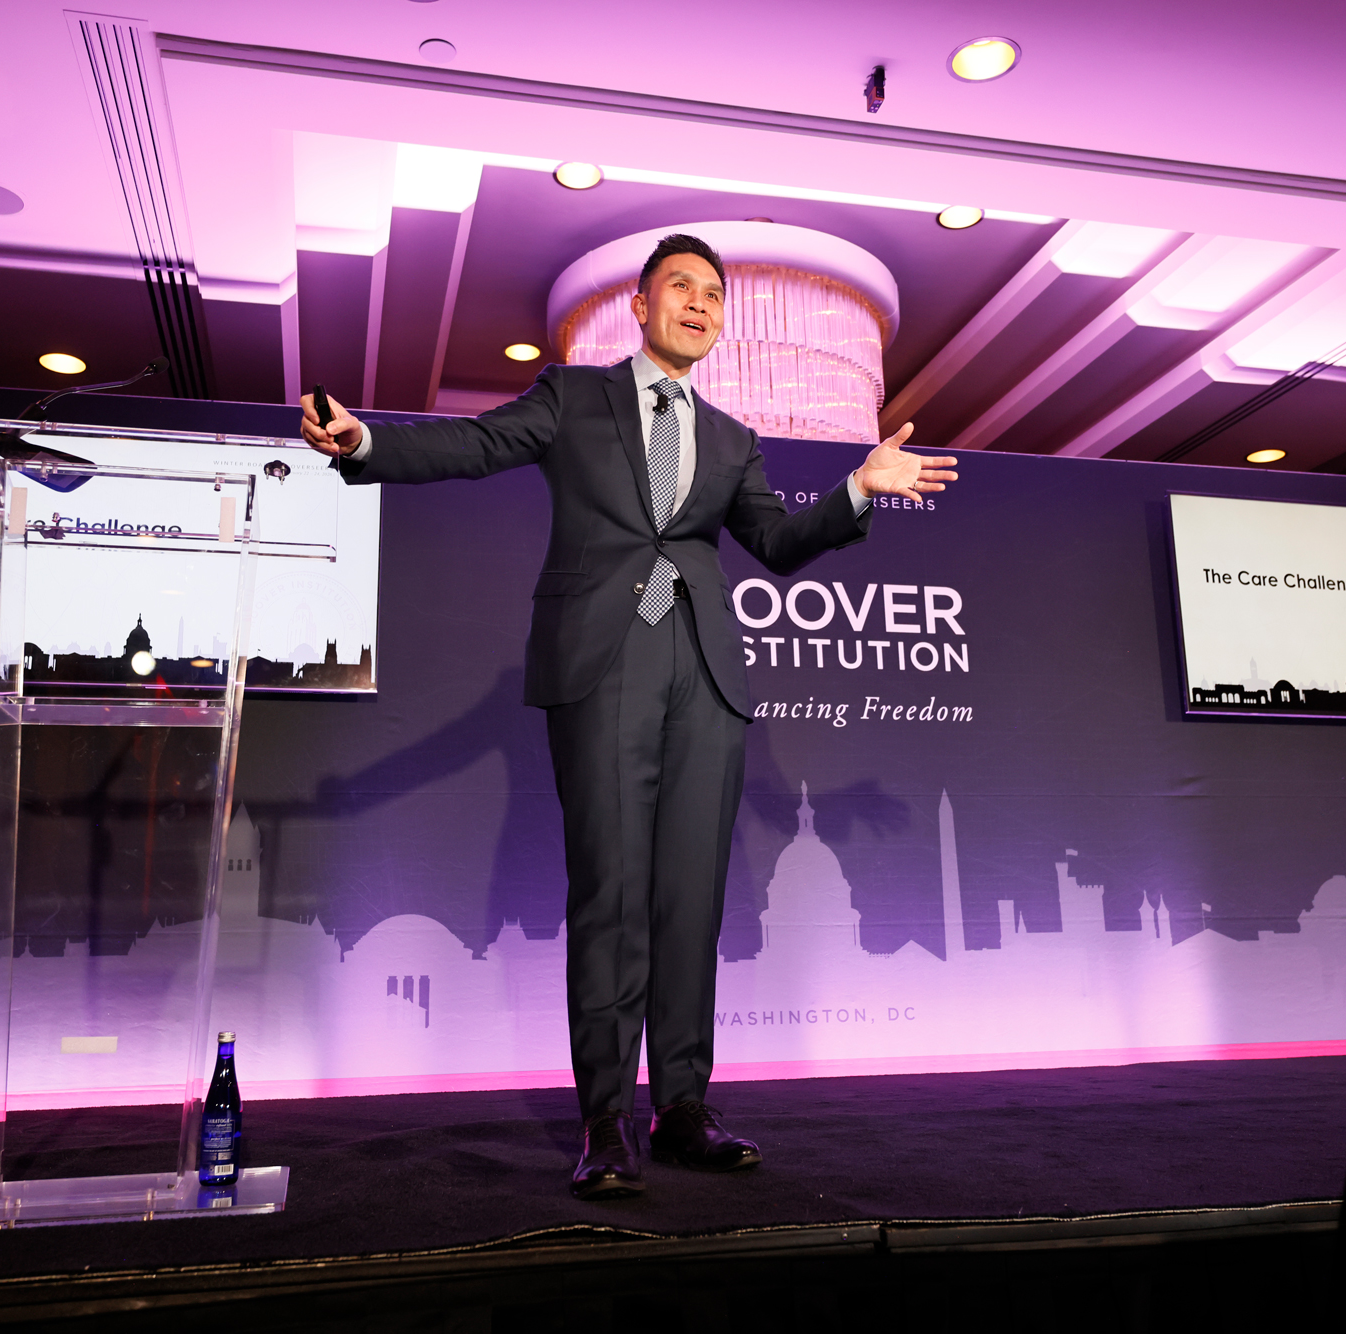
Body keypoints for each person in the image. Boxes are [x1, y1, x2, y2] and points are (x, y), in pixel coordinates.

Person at [302, 233, 955, 1199]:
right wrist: (365, 443)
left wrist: (858, 489)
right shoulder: (574, 396)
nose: (700, 304)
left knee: (690, 901)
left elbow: (772, 542)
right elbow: (475, 444)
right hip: (605, 663)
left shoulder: (732, 438)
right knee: (611, 896)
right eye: (681, 288)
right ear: (641, 307)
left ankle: (683, 1107)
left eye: (715, 295)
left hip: (703, 674)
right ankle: (606, 1120)